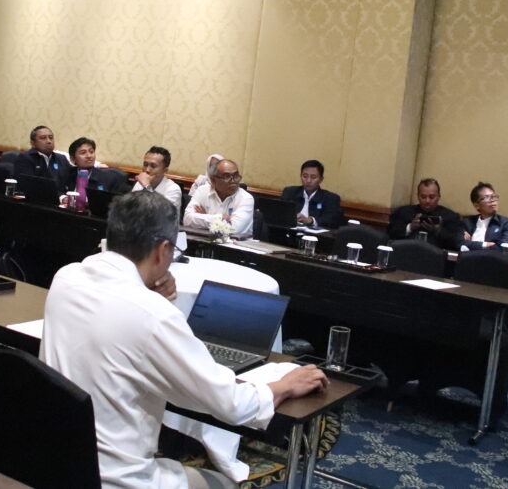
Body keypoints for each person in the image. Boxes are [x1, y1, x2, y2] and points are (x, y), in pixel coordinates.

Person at [40, 190, 328, 488]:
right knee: (224, 485)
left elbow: (114, 317)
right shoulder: (153, 314)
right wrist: (283, 386)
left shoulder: (66, 278)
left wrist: (146, 293)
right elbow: (229, 404)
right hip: (115, 479)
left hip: (56, 462)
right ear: (163, 250)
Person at [183, 158, 255, 238]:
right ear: (213, 180)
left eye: (236, 176)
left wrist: (205, 217)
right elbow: (187, 219)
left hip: (234, 244)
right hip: (204, 241)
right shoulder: (202, 191)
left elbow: (233, 228)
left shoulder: (246, 198)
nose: (233, 181)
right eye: (227, 176)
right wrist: (220, 218)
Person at [387, 178, 463, 249]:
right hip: (406, 252)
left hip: (436, 255)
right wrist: (410, 227)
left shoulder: (450, 217)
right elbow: (390, 234)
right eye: (423, 197)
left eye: (432, 197)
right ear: (418, 196)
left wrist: (437, 230)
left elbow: (456, 242)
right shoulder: (404, 212)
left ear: (439, 196)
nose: (427, 201)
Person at [67, 137, 131, 210]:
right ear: (73, 159)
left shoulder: (108, 177)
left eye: (91, 152)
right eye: (83, 153)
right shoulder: (68, 174)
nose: (89, 156)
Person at [280, 159, 344, 229]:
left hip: (314, 234)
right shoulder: (290, 192)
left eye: (313, 177)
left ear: (321, 179)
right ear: (300, 176)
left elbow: (332, 220)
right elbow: (280, 213)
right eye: (305, 176)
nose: (308, 180)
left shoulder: (330, 198)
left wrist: (311, 220)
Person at [460, 182, 508, 251]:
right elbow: (458, 243)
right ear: (477, 205)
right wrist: (485, 244)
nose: (493, 200)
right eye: (487, 197)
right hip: (466, 257)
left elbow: (503, 249)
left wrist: (470, 245)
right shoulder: (467, 222)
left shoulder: (507, 223)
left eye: (494, 196)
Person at [131, 146, 182, 211]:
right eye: (145, 165)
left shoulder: (173, 189)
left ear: (165, 170)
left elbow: (162, 213)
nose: (147, 170)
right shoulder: (139, 184)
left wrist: (147, 186)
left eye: (153, 166)